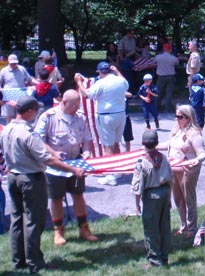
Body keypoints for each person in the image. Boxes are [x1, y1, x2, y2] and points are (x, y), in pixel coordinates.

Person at [1, 95, 84, 274]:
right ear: (29, 111)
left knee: (17, 220)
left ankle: (18, 260)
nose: (37, 113)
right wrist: (72, 169)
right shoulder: (28, 133)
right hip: (30, 179)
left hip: (13, 177)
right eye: (35, 110)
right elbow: (46, 159)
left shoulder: (6, 129)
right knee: (33, 220)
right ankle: (35, 262)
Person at [35, 89, 98, 246]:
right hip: (55, 167)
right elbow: (39, 140)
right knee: (56, 198)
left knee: (79, 195)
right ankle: (59, 231)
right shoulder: (48, 117)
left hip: (76, 164)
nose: (76, 108)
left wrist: (87, 152)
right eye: (73, 106)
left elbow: (87, 138)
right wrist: (54, 153)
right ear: (63, 102)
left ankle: (84, 229)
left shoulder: (80, 117)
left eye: (78, 105)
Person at [74, 62, 128, 185]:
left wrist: (79, 82)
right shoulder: (119, 80)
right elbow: (126, 84)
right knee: (116, 143)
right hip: (120, 114)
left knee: (108, 146)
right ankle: (117, 170)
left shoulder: (101, 83)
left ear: (99, 72)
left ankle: (111, 175)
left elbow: (87, 94)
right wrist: (117, 71)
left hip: (106, 116)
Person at [156, 105, 205, 238]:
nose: (177, 119)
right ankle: (183, 225)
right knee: (178, 198)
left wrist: (196, 160)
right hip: (173, 170)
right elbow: (170, 144)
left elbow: (202, 153)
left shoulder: (194, 134)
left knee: (188, 198)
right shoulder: (176, 131)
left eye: (180, 116)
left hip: (188, 171)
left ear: (188, 118)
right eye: (176, 116)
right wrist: (153, 147)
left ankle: (192, 228)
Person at [131, 129, 173, 268]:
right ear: (156, 143)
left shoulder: (141, 162)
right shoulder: (164, 158)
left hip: (151, 197)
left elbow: (137, 186)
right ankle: (165, 256)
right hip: (164, 194)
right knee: (164, 227)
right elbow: (170, 179)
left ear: (143, 143)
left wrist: (137, 205)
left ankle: (155, 260)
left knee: (151, 229)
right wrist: (169, 198)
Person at [0, 54, 37, 124]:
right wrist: (1, 89)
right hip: (8, 96)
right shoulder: (4, 71)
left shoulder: (22, 69)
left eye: (15, 63)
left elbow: (29, 80)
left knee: (21, 113)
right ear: (8, 62)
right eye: (12, 63)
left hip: (20, 95)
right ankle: (9, 129)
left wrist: (37, 84)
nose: (13, 64)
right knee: (9, 114)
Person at [154, 43, 179, 112]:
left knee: (158, 92)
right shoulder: (173, 58)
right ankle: (167, 108)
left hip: (160, 76)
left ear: (163, 49)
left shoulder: (158, 57)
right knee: (169, 92)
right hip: (171, 76)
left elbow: (154, 63)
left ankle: (157, 107)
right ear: (170, 49)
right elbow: (177, 64)